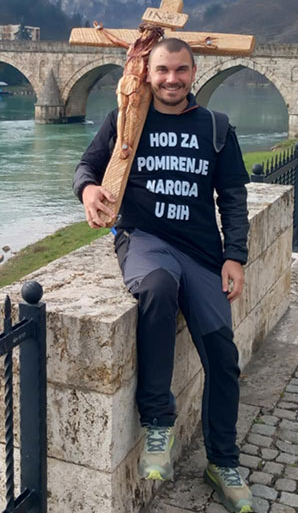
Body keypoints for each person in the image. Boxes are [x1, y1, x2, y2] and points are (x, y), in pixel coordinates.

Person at [73, 37, 254, 513]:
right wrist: (89, 191)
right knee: (157, 288)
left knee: (223, 356)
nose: (171, 79)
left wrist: (235, 256)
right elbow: (87, 166)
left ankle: (223, 462)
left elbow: (233, 197)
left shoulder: (216, 127)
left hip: (202, 253)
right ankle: (158, 422)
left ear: (194, 73)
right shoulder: (126, 120)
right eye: (162, 71)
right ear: (147, 74)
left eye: (180, 70)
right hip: (144, 240)